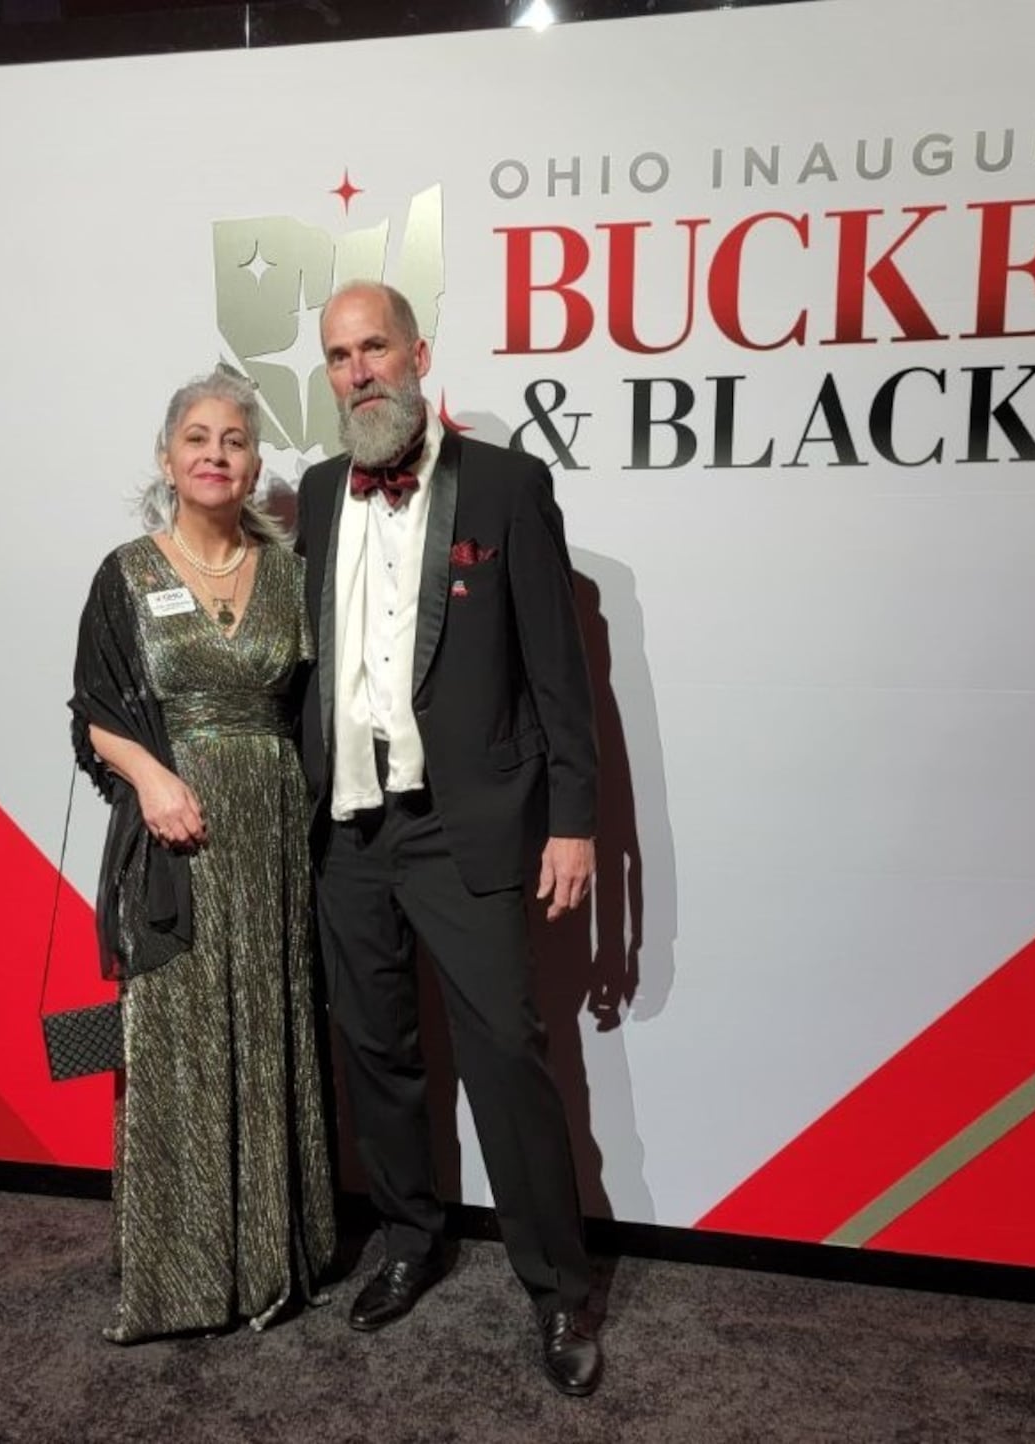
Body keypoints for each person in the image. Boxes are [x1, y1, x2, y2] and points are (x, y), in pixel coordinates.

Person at [296, 282, 602, 1395]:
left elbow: (559, 678)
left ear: (418, 354)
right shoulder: (321, 494)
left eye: (375, 346)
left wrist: (573, 820)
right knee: (374, 1048)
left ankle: (558, 1288)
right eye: (338, 356)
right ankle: (410, 1235)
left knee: (506, 1056)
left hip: (463, 823)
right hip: (347, 830)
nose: (359, 369)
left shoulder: (510, 486)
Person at [69, 370, 335, 1343]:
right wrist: (151, 778)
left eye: (232, 439)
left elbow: (316, 713)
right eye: (196, 437)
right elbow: (93, 712)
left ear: (256, 465)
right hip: (175, 837)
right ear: (167, 457)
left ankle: (270, 1259)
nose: (214, 453)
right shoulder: (129, 573)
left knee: (268, 1026)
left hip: (270, 841)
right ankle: (181, 1279)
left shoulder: (292, 577)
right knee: (178, 1042)